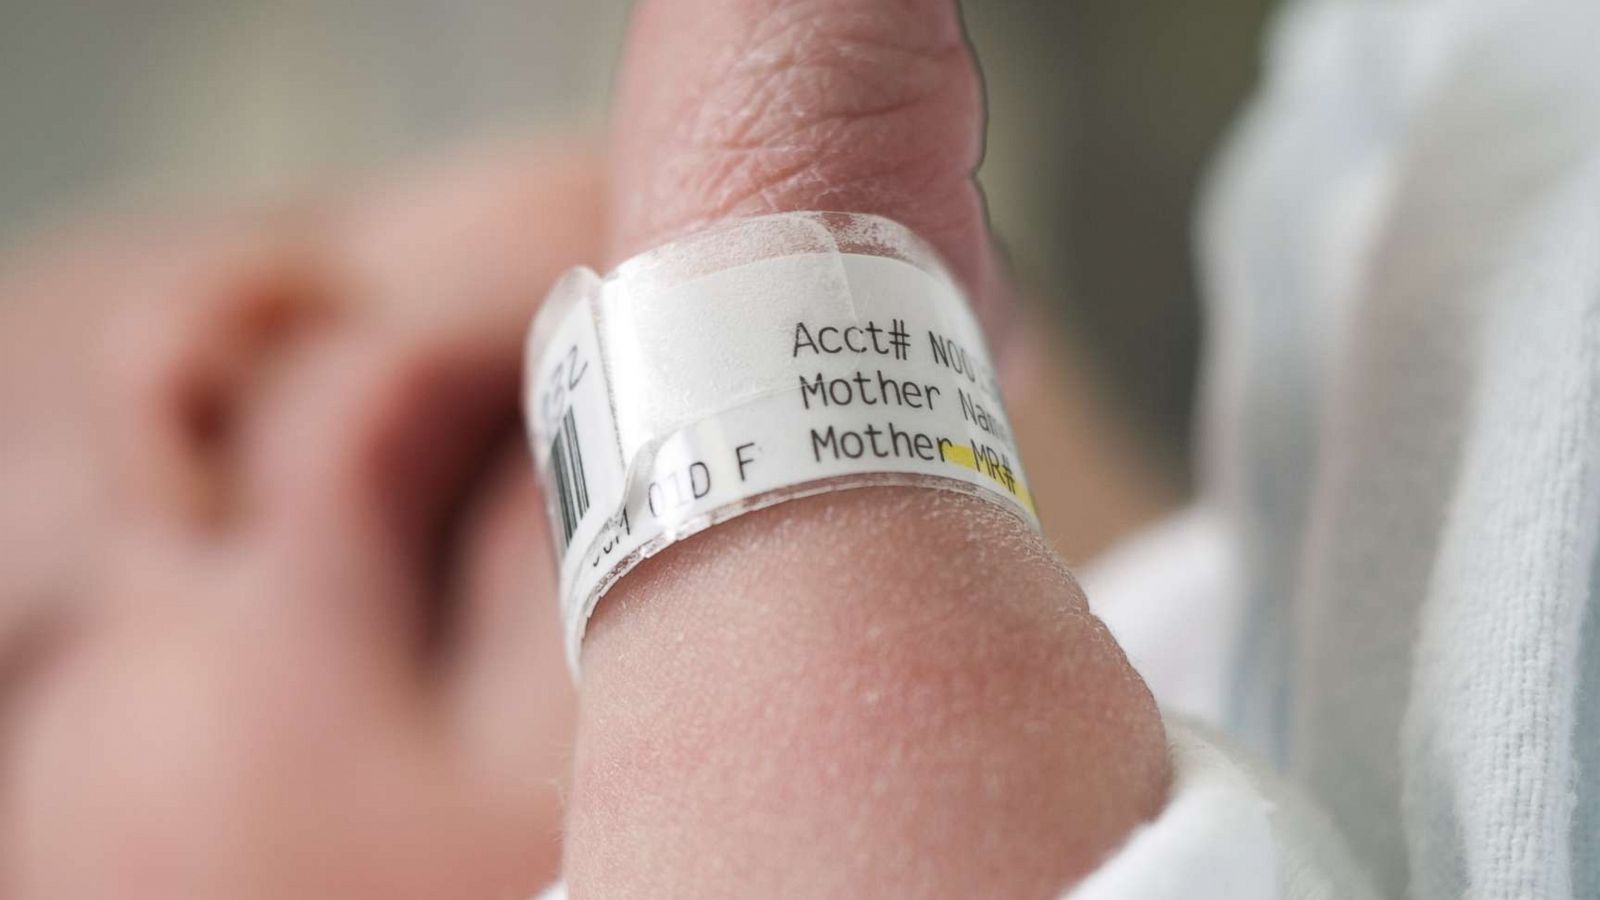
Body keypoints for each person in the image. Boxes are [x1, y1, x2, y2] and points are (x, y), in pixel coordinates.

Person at [2, 0, 1596, 897]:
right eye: (29, 660)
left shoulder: (1367, 217)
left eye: (317, 221)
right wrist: (762, 233)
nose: (200, 345)